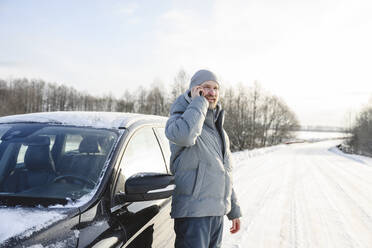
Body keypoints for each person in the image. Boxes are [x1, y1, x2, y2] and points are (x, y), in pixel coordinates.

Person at [165, 69, 242, 248]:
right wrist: (199, 102)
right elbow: (185, 136)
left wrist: (234, 210)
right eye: (206, 87)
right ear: (195, 90)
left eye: (216, 88)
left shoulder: (218, 131)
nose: (212, 93)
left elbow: (223, 172)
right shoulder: (179, 120)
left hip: (216, 214)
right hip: (193, 215)